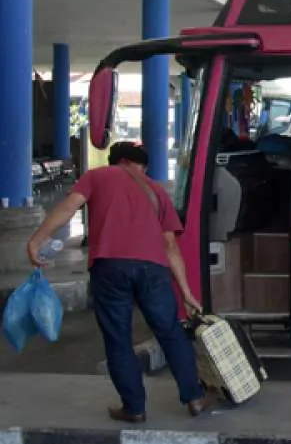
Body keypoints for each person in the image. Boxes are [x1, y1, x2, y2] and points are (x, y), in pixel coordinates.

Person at [25, 142, 213, 423]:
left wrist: (37, 240)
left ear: (115, 161)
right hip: (154, 269)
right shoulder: (157, 191)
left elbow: (69, 207)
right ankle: (195, 398)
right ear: (143, 166)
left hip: (109, 266)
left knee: (118, 339)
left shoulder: (97, 176)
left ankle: (134, 408)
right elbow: (170, 246)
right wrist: (186, 292)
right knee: (170, 332)